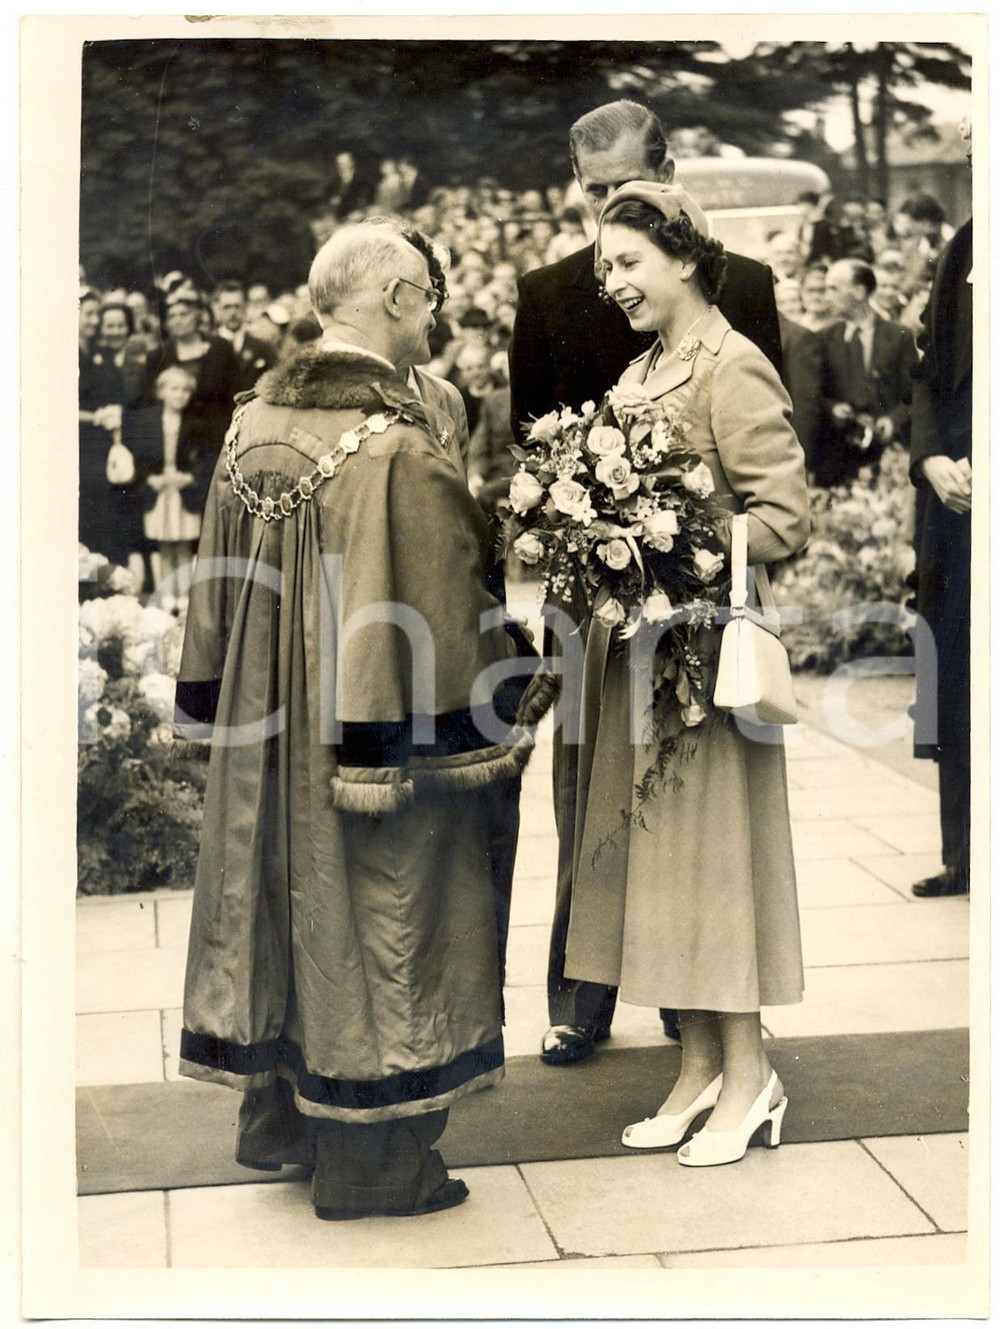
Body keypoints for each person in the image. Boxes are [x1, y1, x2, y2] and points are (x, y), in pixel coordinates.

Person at [173, 221, 557, 1220]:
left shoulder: (252, 421)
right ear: (393, 301)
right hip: (371, 735)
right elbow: (442, 616)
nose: (431, 318)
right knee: (387, 922)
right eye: (425, 297)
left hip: (267, 749)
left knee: (286, 919)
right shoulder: (395, 447)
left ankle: (288, 1128)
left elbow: (209, 608)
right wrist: (517, 674)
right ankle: (377, 1166)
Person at [508, 98, 783, 1067]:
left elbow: (764, 466)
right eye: (590, 197)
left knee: (687, 806)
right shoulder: (547, 293)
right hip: (590, 606)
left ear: (664, 169)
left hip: (694, 611)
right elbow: (531, 453)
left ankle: (693, 1003)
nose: (603, 216)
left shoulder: (740, 286)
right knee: (588, 797)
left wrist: (677, 544)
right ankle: (581, 993)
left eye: (621, 191)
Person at [565, 180, 809, 1165]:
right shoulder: (637, 373)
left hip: (706, 667)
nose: (613, 283)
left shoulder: (731, 365)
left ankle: (751, 1077)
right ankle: (699, 1067)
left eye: (627, 263)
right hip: (639, 664)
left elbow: (783, 516)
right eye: (602, 270)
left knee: (714, 870)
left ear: (682, 259)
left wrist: (666, 539)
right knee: (662, 870)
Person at [908, 200, 972, 899]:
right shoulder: (968, 245)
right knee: (953, 674)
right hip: (956, 505)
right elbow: (927, 370)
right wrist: (930, 460)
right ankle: (963, 854)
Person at [814, 259, 919, 489]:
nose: (825, 295)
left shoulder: (899, 336)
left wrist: (893, 419)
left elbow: (915, 393)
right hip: (838, 459)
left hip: (887, 456)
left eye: (833, 288)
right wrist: (832, 408)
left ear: (859, 291)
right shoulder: (823, 338)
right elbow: (814, 393)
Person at [123, 365, 212, 600]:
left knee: (183, 546)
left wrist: (190, 476)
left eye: (185, 390)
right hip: (160, 490)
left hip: (183, 490)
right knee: (163, 546)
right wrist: (149, 478)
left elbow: (205, 457)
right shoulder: (148, 421)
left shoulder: (196, 423)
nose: (180, 395)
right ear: (161, 392)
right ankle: (165, 597)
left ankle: (184, 599)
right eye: (174, 389)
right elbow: (136, 456)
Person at [211, 281, 279, 393]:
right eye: (227, 307)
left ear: (246, 307)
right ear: (218, 309)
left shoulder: (263, 347)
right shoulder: (208, 345)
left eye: (237, 306)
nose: (233, 313)